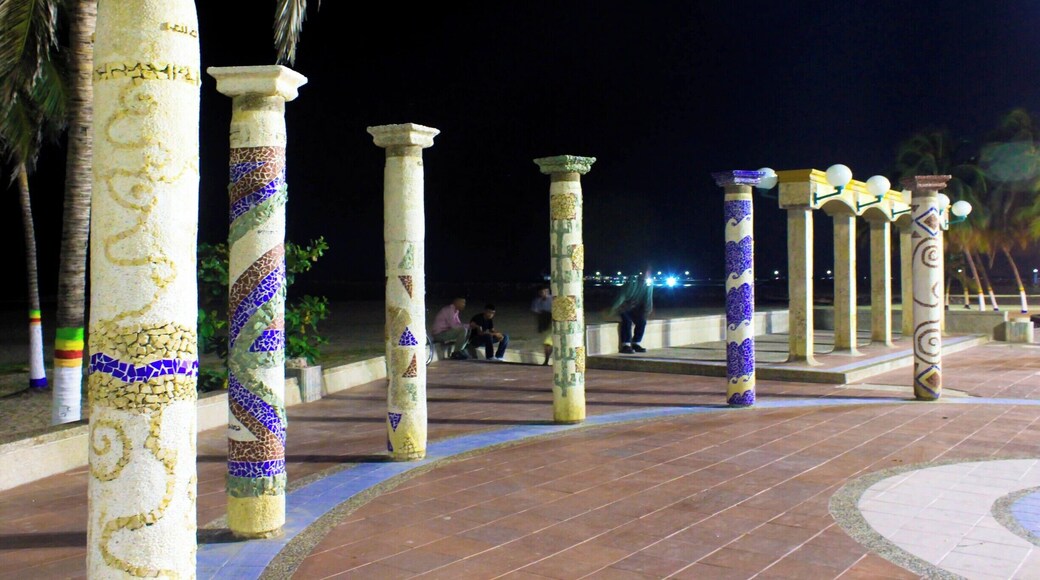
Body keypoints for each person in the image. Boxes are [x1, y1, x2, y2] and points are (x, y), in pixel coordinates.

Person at [611, 269, 654, 354]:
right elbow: (622, 295)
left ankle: (636, 343)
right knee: (627, 321)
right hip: (623, 306)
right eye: (645, 272)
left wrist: (647, 311)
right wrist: (613, 309)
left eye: (648, 273)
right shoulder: (632, 282)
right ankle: (625, 345)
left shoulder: (648, 284)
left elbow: (648, 299)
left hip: (634, 308)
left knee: (642, 321)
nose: (646, 275)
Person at [531, 286, 553, 365]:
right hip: (544, 323)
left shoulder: (552, 299)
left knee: (547, 343)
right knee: (547, 343)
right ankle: (547, 360)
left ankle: (546, 360)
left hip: (552, 322)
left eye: (545, 291)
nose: (544, 293)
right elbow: (535, 311)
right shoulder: (537, 301)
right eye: (542, 292)